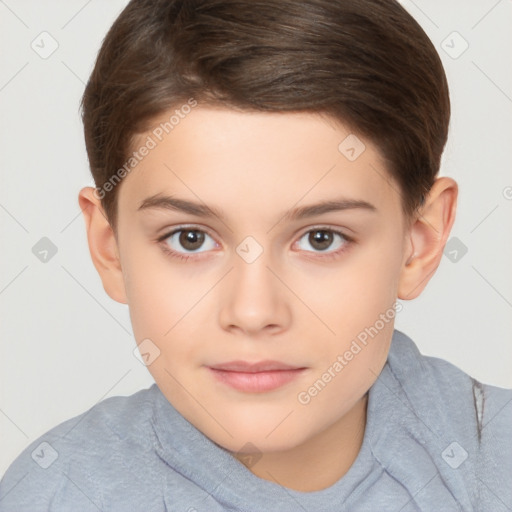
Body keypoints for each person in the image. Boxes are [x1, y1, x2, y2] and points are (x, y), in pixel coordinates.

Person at [1, 0, 510, 510]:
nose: (252, 312)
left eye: (321, 239)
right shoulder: (54, 493)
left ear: (418, 242)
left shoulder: (492, 463)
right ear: (109, 248)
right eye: (190, 238)